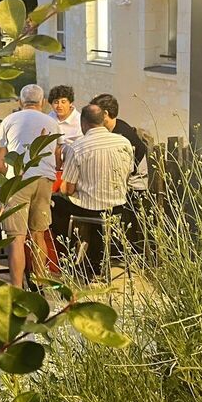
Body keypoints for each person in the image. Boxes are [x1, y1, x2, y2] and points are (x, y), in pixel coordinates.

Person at [0, 84, 63, 289]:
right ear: (43, 102)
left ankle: (17, 288)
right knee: (38, 234)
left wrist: (7, 177)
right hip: (45, 180)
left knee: (16, 238)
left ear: (20, 101)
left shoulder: (8, 121)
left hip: (18, 179)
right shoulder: (52, 123)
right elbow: (58, 161)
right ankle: (39, 285)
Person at [56, 105, 134, 279]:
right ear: (103, 120)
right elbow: (128, 174)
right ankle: (95, 261)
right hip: (118, 207)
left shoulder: (77, 147)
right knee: (96, 213)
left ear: (83, 123)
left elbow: (67, 189)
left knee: (56, 206)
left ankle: (72, 261)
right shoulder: (124, 142)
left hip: (88, 209)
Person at [91, 93, 151, 250]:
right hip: (118, 183)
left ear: (105, 114)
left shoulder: (122, 134)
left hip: (133, 186)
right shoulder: (108, 131)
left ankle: (113, 249)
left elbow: (127, 169)